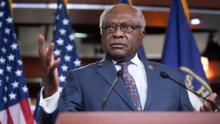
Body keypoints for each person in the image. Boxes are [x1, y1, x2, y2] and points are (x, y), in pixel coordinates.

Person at [38, 3, 217, 124]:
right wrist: (51, 91)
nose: (117, 33)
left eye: (127, 27)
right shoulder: (80, 78)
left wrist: (202, 120)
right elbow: (61, 121)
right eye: (109, 27)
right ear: (102, 34)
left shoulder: (171, 77)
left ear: (142, 35)